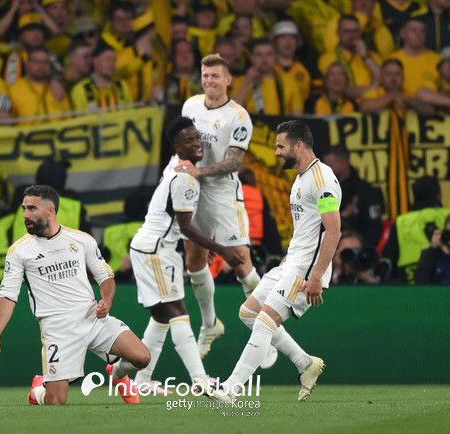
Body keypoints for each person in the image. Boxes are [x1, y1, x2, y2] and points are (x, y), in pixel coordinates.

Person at [0, 184, 150, 405]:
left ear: (50, 210)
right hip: (58, 329)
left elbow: (105, 276)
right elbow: (7, 295)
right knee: (56, 401)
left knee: (142, 357)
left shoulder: (82, 240)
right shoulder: (19, 251)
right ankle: (37, 391)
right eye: (24, 208)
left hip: (92, 317)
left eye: (32, 208)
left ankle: (117, 372)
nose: (25, 215)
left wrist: (107, 301)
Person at [218, 120, 342, 402]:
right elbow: (309, 228)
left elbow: (333, 230)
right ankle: (305, 363)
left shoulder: (322, 179)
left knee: (264, 321)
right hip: (293, 262)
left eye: (280, 146)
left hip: (307, 269)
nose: (276, 152)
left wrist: (317, 276)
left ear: (299, 146)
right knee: (248, 313)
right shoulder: (301, 178)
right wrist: (289, 257)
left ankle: (230, 389)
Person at [129, 116, 244, 396]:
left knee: (161, 317)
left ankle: (139, 378)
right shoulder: (185, 178)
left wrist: (206, 245)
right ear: (176, 147)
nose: (197, 143)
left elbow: (184, 226)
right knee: (178, 312)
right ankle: (200, 379)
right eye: (188, 140)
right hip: (157, 251)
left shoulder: (177, 165)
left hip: (151, 247)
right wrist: (221, 249)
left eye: (197, 137)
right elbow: (186, 227)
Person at [176, 53, 261, 358]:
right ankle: (210, 324)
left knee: (240, 261)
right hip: (193, 190)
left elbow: (234, 163)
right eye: (205, 75)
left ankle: (267, 331)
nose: (209, 81)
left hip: (223, 192)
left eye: (215, 76)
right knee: (194, 262)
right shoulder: (190, 105)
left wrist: (200, 172)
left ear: (228, 80)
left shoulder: (238, 116)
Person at [323, 145, 384, 249]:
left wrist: (363, 247)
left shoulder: (365, 192)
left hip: (357, 246)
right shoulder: (325, 192)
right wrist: (343, 215)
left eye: (330, 165)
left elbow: (375, 227)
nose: (326, 170)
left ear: (344, 162)